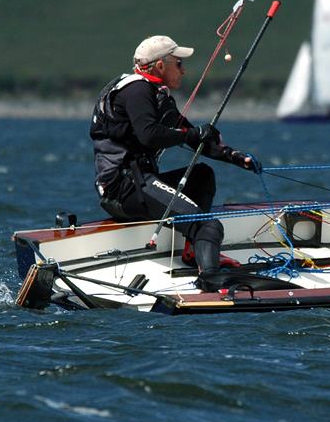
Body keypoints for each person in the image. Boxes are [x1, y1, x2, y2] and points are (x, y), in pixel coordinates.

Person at [89, 35, 261, 281]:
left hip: (141, 182)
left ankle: (193, 251)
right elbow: (149, 135)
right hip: (124, 190)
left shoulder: (155, 94)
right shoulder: (136, 91)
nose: (183, 70)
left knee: (202, 175)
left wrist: (235, 157)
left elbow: (192, 137)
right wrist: (193, 133)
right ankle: (211, 280)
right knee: (208, 225)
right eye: (178, 64)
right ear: (160, 66)